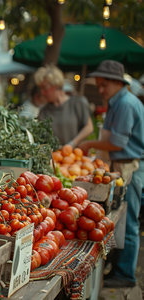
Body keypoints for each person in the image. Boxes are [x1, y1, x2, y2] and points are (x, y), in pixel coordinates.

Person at [78, 60, 144, 288]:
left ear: (117, 82)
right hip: (121, 165)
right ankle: (117, 267)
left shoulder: (125, 104)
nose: (100, 89)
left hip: (129, 166)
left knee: (129, 218)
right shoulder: (118, 102)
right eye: (99, 85)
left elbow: (117, 142)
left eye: (103, 84)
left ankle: (125, 275)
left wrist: (89, 144)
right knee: (122, 218)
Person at [35, 65, 93, 147]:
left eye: (45, 88)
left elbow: (89, 127)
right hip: (54, 157)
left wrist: (72, 143)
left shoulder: (77, 103)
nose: (42, 92)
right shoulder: (44, 111)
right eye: (40, 88)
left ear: (56, 85)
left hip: (75, 156)